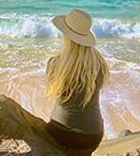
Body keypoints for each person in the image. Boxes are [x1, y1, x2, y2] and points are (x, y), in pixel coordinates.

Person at [46, 9, 110, 155]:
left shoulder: (55, 63)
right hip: (93, 134)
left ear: (66, 35)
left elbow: (57, 93)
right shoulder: (100, 64)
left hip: (62, 133)